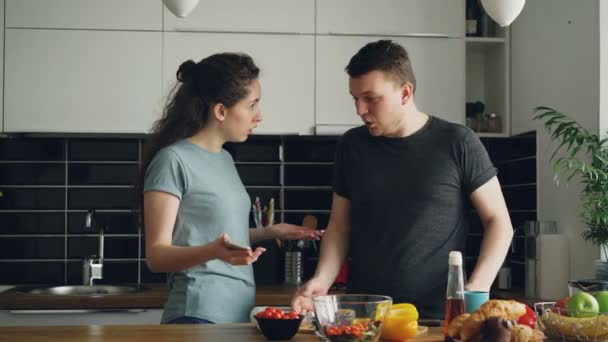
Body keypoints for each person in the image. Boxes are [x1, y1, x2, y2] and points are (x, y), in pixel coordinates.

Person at [291, 40, 514, 319]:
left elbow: (499, 223)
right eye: (355, 98)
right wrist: (322, 279)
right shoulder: (353, 146)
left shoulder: (458, 143)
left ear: (405, 93)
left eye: (371, 98)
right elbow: (339, 227)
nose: (360, 109)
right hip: (366, 317)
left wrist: (476, 289)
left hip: (437, 318)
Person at [139, 52, 322, 324]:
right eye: (252, 105)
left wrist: (267, 232)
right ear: (221, 111)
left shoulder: (224, 158)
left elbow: (210, 233)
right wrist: (212, 252)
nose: (258, 116)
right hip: (196, 314)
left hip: (237, 314)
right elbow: (157, 255)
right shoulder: (172, 160)